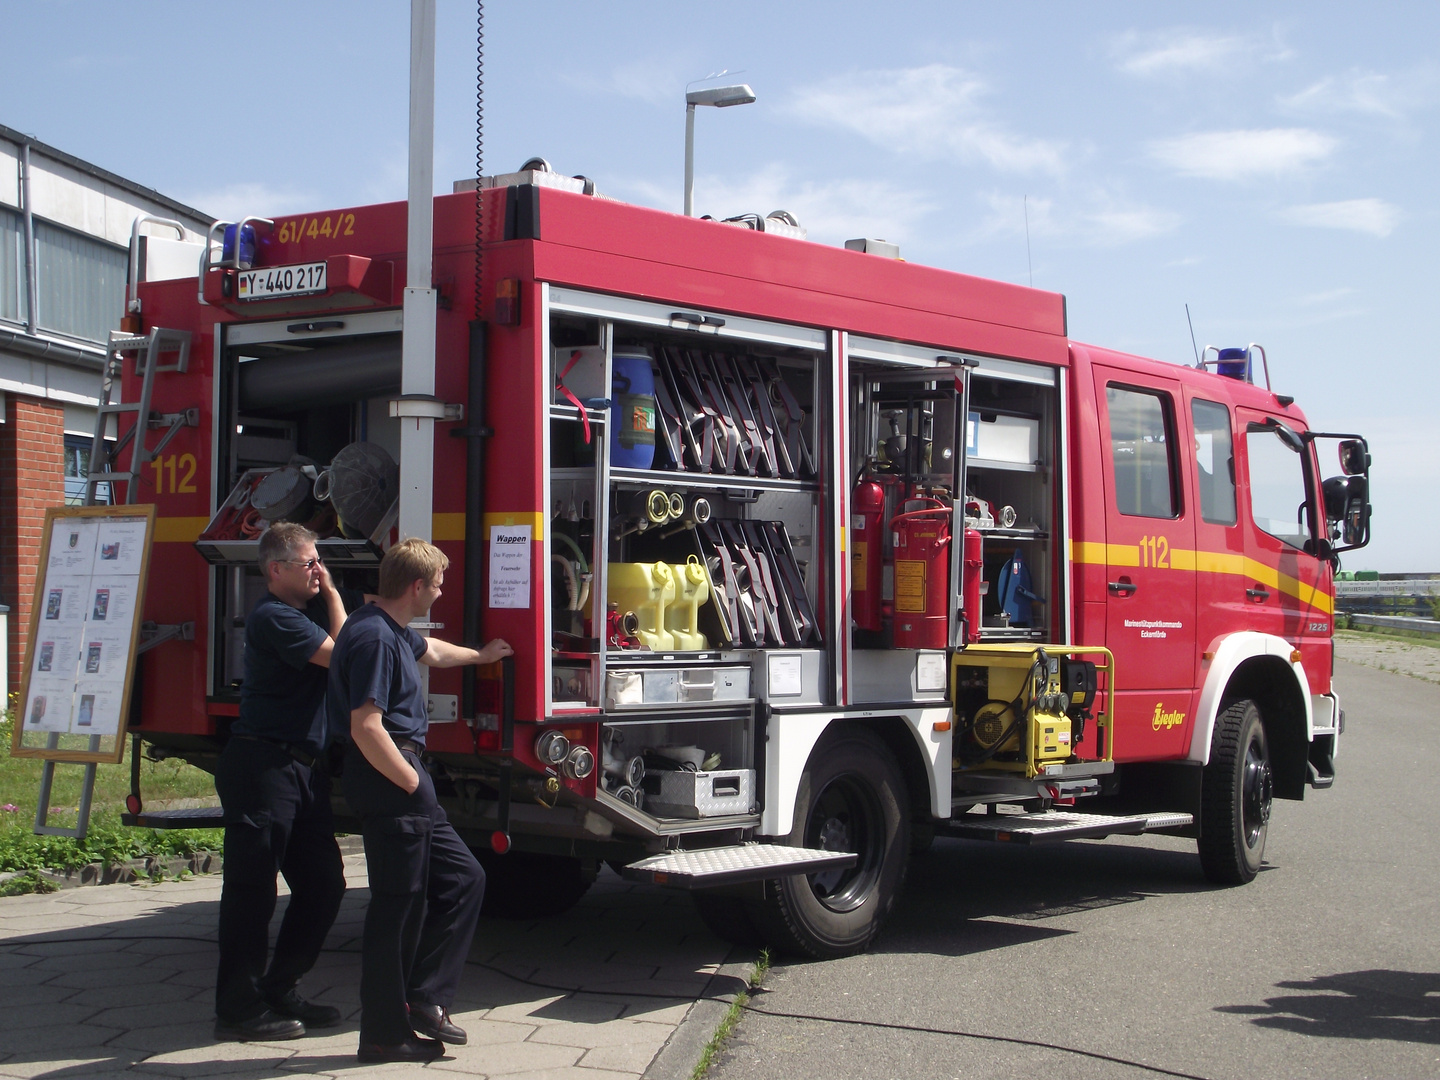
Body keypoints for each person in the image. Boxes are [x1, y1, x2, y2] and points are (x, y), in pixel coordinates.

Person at [329, 537, 513, 1064]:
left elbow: (432, 650)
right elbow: (365, 726)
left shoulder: (391, 630)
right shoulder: (374, 641)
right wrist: (410, 782)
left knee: (463, 879)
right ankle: (385, 1034)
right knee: (396, 910)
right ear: (416, 587)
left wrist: (481, 656)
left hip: (404, 777)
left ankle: (426, 1001)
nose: (440, 591)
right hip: (393, 777)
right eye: (436, 584)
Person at [213, 522, 367, 1041]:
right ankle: (237, 1007)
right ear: (276, 570)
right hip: (263, 767)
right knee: (252, 890)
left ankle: (279, 987)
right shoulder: (276, 617)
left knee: (324, 883)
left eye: (320, 562)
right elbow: (343, 654)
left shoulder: (299, 615)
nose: (319, 571)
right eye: (309, 563)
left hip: (302, 769)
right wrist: (338, 598)